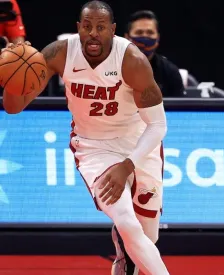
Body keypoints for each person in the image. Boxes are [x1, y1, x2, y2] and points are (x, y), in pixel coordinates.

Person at [2, 1, 170, 274]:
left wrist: (127, 165)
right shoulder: (59, 53)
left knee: (147, 237)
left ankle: (125, 253)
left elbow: (158, 126)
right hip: (94, 147)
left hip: (139, 143)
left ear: (113, 30)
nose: (94, 33)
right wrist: (10, 77)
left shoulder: (132, 60)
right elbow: (14, 106)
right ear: (78, 28)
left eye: (101, 27)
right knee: (127, 221)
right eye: (87, 26)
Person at [125, 10, 185, 97]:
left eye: (150, 33)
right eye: (139, 32)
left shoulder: (170, 72)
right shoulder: (111, 68)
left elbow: (178, 109)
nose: (145, 37)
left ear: (157, 38)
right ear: (127, 38)